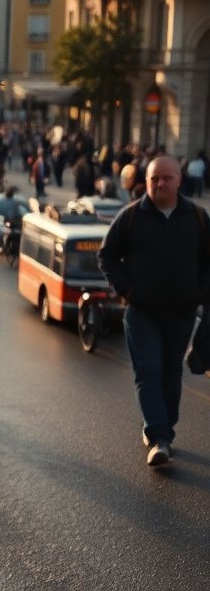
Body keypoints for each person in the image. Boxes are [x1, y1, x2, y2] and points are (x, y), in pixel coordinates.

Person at [98, 155, 210, 466]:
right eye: (153, 179)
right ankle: (159, 437)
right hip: (142, 312)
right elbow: (106, 257)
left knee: (171, 375)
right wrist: (129, 290)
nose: (160, 184)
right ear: (145, 182)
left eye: (166, 178)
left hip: (181, 313)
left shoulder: (198, 218)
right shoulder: (131, 216)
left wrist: (200, 292)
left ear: (179, 181)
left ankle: (164, 427)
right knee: (147, 372)